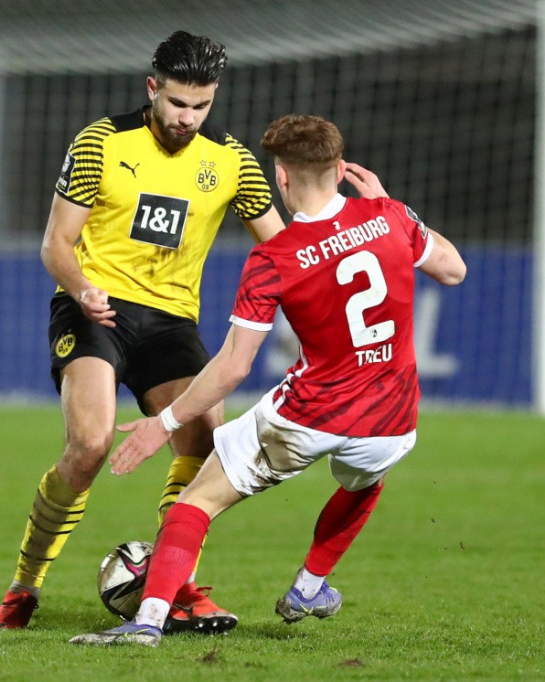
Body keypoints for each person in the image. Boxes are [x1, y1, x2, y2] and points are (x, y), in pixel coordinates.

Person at [68, 114, 467, 647]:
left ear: (281, 177)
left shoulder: (274, 258)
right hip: (392, 421)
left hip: (307, 416)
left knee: (195, 503)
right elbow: (453, 269)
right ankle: (310, 586)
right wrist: (394, 205)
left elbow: (234, 366)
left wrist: (163, 422)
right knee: (366, 480)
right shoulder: (390, 216)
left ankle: (147, 622)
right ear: (340, 170)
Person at [0, 31, 285, 635]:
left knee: (205, 443)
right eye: (177, 103)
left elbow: (285, 248)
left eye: (201, 105)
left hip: (171, 322)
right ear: (152, 88)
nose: (188, 118)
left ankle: (174, 586)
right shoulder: (101, 142)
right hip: (94, 310)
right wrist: (81, 288)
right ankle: (25, 584)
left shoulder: (232, 160)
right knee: (90, 444)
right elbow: (55, 243)